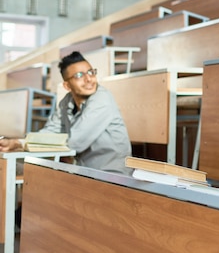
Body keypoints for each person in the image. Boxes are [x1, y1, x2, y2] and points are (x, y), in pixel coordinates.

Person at [0, 51, 132, 176]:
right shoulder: (66, 102)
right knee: (18, 168)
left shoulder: (103, 99)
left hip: (111, 175)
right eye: (79, 75)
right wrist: (17, 143)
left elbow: (76, 143)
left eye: (91, 72)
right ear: (67, 86)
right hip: (84, 171)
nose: (89, 79)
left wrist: (29, 144)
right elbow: (50, 131)